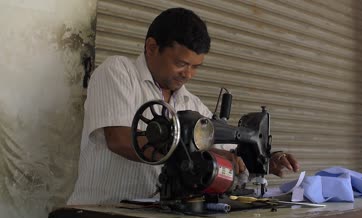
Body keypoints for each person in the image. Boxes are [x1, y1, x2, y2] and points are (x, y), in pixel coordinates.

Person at [67, 7, 299, 205]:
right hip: (99, 216)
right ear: (151, 47)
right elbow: (119, 139)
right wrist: (195, 152)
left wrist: (264, 159)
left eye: (196, 67)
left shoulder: (191, 104)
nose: (188, 74)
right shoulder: (118, 72)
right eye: (181, 63)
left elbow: (230, 153)